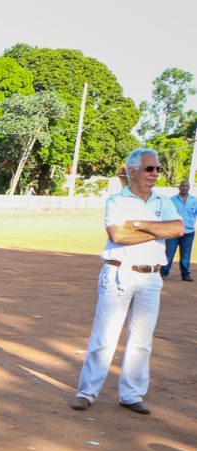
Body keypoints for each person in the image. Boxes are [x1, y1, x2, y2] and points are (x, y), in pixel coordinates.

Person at [71, 149, 183, 416]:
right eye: (149, 169)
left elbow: (178, 229)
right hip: (119, 273)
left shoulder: (164, 201)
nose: (155, 173)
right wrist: (158, 230)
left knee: (142, 341)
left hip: (151, 276)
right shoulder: (117, 201)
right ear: (132, 171)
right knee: (105, 337)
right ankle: (86, 392)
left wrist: (139, 224)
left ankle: (131, 394)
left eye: (157, 169)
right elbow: (118, 235)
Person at [163, 179, 195, 281]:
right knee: (169, 254)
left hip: (188, 232)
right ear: (179, 187)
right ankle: (163, 273)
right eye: (183, 186)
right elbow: (166, 214)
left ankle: (186, 275)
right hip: (173, 232)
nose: (184, 188)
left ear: (189, 187)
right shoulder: (171, 200)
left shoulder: (194, 201)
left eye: (186, 186)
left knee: (186, 255)